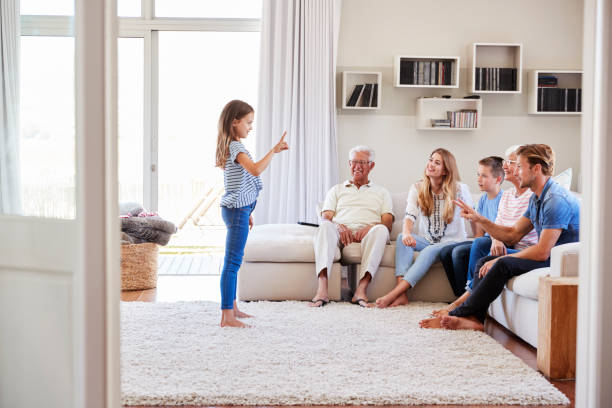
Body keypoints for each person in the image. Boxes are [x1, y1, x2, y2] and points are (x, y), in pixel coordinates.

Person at [441, 144, 579, 331]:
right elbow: (513, 233)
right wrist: (479, 218)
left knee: (501, 264)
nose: (515, 171)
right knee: (484, 262)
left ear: (536, 168)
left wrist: (502, 258)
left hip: (559, 260)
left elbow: (542, 252)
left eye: (520, 167)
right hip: (547, 256)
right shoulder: (537, 197)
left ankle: (460, 313)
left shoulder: (555, 200)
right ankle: (475, 318)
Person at [420, 145, 538, 328]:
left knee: (475, 247)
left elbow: (513, 234)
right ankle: (465, 304)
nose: (505, 166)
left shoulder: (533, 197)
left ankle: (463, 306)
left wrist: (490, 232)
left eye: (511, 163)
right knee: (462, 250)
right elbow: (497, 228)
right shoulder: (507, 196)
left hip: (519, 247)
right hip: (504, 242)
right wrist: (495, 236)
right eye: (506, 162)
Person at [215, 100, 289, 327]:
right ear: (235, 122)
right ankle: (227, 316)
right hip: (237, 210)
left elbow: (239, 183)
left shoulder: (233, 144)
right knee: (232, 263)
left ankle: (233, 308)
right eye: (248, 122)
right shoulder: (236, 147)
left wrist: (247, 211)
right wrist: (274, 150)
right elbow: (255, 170)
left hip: (240, 210)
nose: (251, 127)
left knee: (233, 262)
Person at [374, 148, 474, 308]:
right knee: (401, 238)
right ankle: (402, 295)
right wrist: (407, 233)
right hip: (428, 240)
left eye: (437, 163)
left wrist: (478, 239)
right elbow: (410, 215)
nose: (431, 165)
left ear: (446, 170)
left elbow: (473, 216)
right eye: (430, 160)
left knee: (429, 251)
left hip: (452, 242)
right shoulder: (418, 188)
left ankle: (394, 293)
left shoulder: (460, 189)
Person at [312, 146, 393, 308]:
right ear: (349, 164)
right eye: (354, 162)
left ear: (371, 166)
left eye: (362, 162)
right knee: (325, 226)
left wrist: (371, 227)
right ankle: (322, 290)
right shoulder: (336, 190)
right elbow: (326, 217)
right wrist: (338, 226)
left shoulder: (382, 192)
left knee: (381, 230)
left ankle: (361, 290)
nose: (357, 166)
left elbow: (387, 222)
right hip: (340, 232)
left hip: (368, 235)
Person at [438, 156, 504, 296]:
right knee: (445, 252)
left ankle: (470, 294)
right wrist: (470, 218)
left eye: (484, 176)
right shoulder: (483, 199)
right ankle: (460, 295)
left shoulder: (504, 199)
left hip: (496, 241)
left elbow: (501, 231)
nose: (479, 179)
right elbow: (479, 234)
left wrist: (479, 242)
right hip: (484, 241)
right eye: (478, 174)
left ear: (498, 179)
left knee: (458, 252)